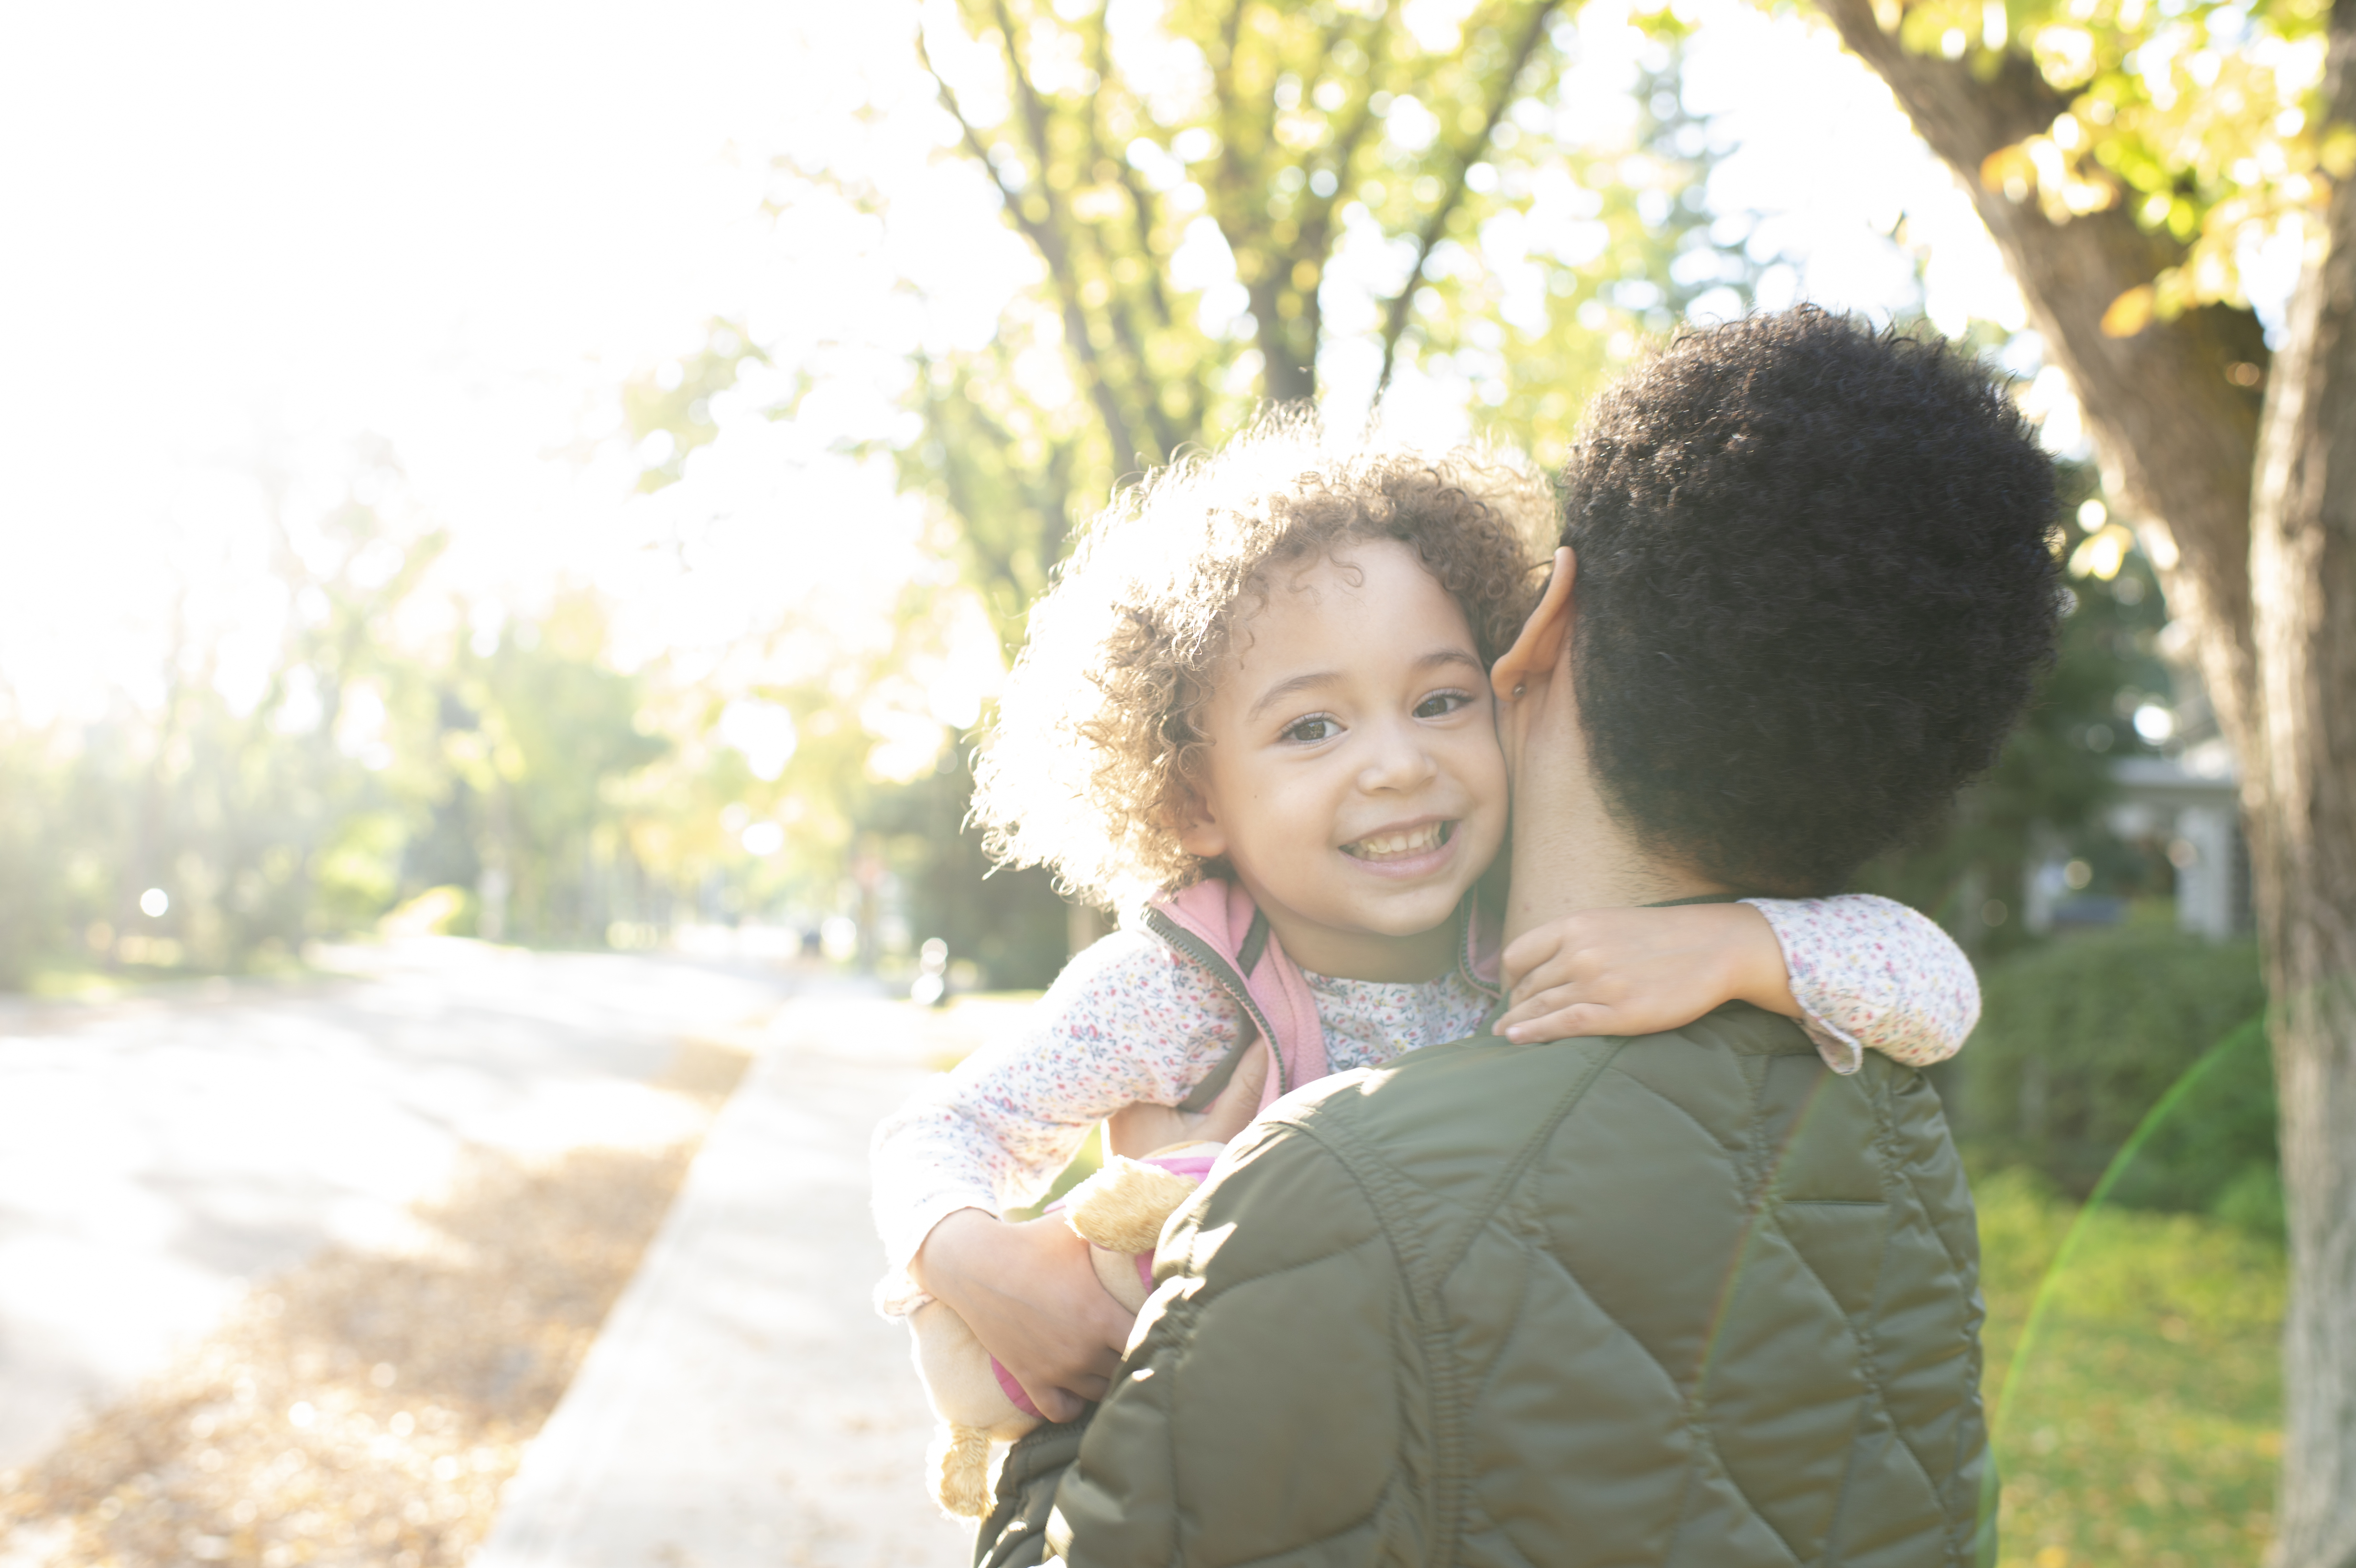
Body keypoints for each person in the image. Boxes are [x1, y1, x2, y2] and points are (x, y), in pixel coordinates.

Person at [1008, 309, 2060, 1564]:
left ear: (1544, 624)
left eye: (1435, 694)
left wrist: (1121, 1331)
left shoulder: (1330, 1189)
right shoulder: (1886, 1119)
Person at [868, 413, 1983, 1451]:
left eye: (1442, 700)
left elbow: (1938, 992)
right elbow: (940, 1132)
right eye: (1311, 726)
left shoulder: (1554, 929)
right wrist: (979, 1263)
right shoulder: (1182, 990)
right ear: (1194, 801)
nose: (1397, 762)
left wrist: (1739, 945)